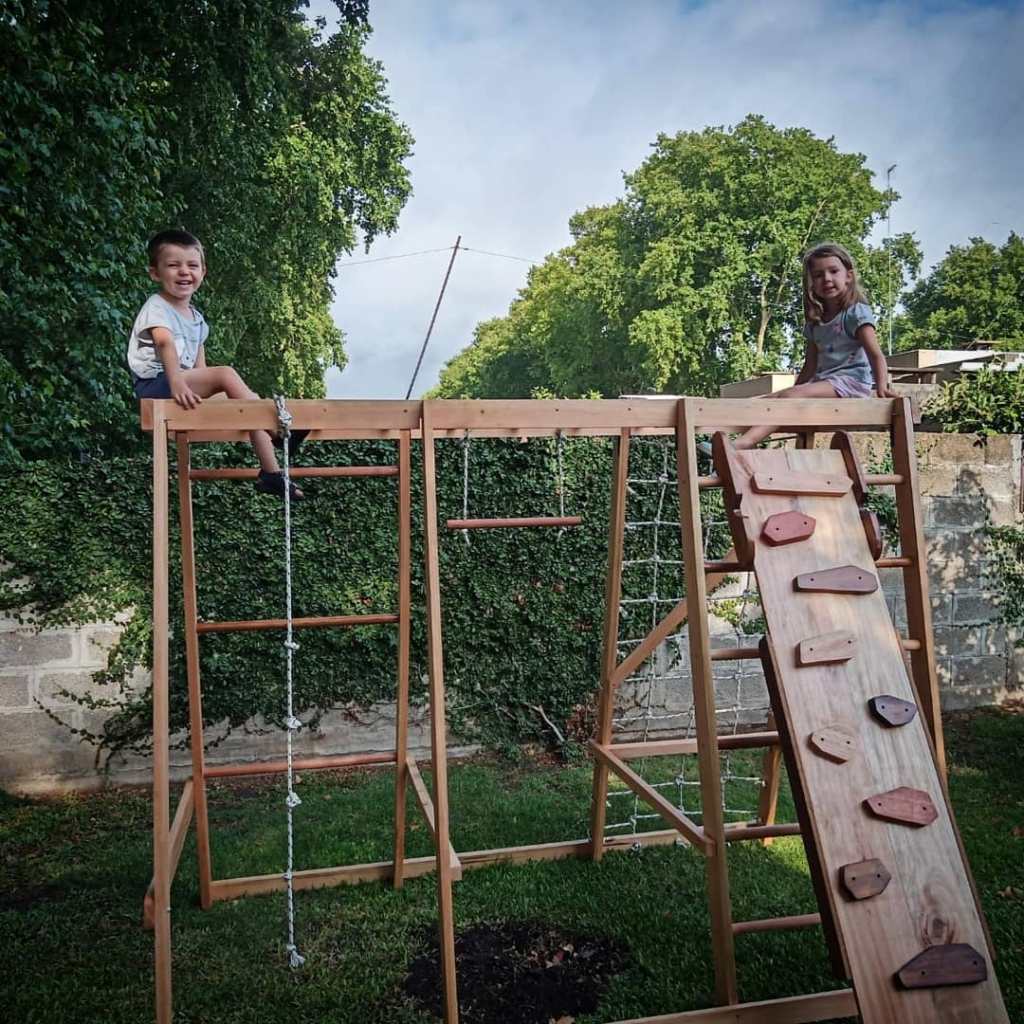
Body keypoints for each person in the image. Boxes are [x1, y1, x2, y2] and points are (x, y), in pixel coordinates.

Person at [127, 229, 306, 499]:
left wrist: (216, 396)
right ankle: (277, 431)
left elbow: (201, 371)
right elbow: (164, 343)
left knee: (246, 401)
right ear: (155, 273)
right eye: (173, 265)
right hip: (156, 386)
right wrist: (177, 383)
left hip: (181, 384)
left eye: (192, 265)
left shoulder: (197, 319)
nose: (184, 271)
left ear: (203, 272)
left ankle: (270, 473)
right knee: (226, 375)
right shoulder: (157, 306)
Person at [730, 241, 898, 451]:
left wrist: (882, 386)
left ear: (848, 276)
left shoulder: (855, 312)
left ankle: (745, 443)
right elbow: (810, 365)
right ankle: (723, 440)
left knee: (788, 396)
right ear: (811, 283)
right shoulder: (815, 322)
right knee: (763, 401)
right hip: (824, 382)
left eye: (833, 271)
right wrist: (794, 390)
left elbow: (875, 354)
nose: (826, 278)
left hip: (851, 383)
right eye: (818, 275)